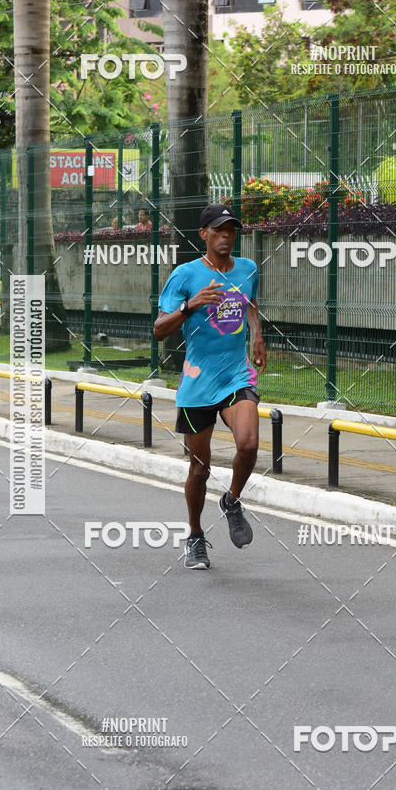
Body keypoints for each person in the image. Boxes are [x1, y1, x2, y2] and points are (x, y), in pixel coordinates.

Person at [154, 204, 267, 569]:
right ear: (203, 234)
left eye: (232, 230)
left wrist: (257, 335)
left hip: (236, 375)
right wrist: (191, 305)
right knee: (199, 470)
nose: (226, 236)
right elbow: (159, 329)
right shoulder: (185, 276)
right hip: (198, 382)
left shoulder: (248, 269)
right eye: (219, 230)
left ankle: (232, 500)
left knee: (248, 444)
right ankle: (196, 536)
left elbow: (248, 302)